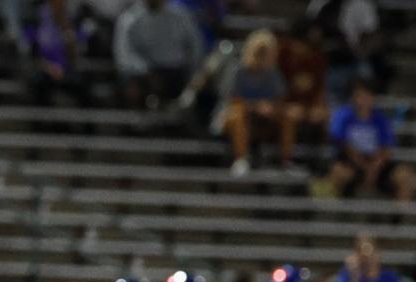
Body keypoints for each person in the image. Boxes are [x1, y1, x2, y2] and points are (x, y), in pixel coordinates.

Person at [222, 30, 298, 176]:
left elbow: (280, 99)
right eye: (258, 52)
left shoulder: (273, 73)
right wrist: (256, 107)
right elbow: (232, 100)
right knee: (237, 115)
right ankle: (241, 160)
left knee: (288, 115)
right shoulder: (237, 70)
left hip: (265, 117)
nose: (261, 56)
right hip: (238, 116)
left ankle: (286, 161)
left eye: (265, 53)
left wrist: (271, 108)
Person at [325, 79, 414, 203]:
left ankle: (400, 212)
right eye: (360, 96)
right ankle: (334, 209)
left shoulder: (381, 119)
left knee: (405, 176)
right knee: (338, 172)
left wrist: (374, 168)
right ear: (353, 98)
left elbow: (387, 148)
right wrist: (361, 163)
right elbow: (341, 142)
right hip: (351, 161)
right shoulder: (343, 116)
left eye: (367, 96)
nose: (363, 100)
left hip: (376, 163)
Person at [113, 0, 204, 109]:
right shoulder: (129, 19)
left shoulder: (181, 15)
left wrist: (193, 73)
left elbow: (196, 47)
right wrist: (145, 71)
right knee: (133, 86)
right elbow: (124, 55)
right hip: (143, 75)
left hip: (176, 73)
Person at [336, 231, 402, 282]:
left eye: (370, 251)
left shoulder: (389, 277)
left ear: (378, 253)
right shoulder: (348, 274)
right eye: (362, 252)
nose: (367, 257)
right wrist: (354, 277)